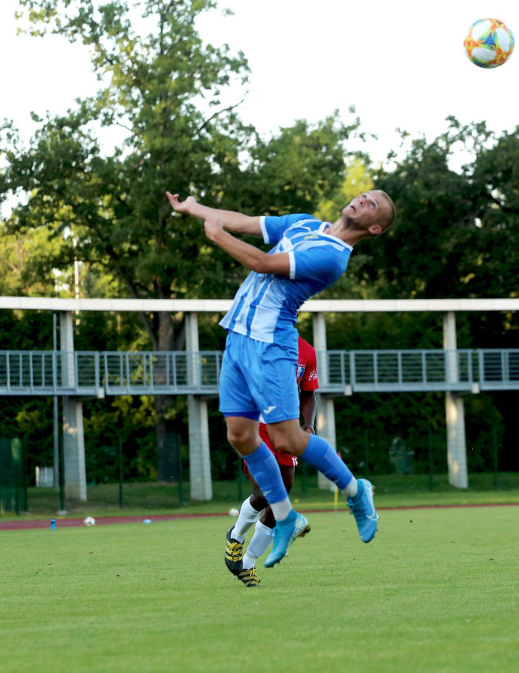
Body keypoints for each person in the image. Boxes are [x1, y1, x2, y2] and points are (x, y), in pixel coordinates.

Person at [166, 188, 395, 567]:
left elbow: (260, 263)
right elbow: (241, 220)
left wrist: (218, 235)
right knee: (240, 435)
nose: (362, 199)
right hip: (238, 337)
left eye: (373, 204)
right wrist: (193, 208)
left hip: (272, 343)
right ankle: (286, 517)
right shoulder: (304, 222)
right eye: (364, 194)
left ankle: (357, 491)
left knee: (288, 438)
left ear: (374, 228)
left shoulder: (333, 258)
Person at [224, 336, 319, 587]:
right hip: (257, 428)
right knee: (265, 492)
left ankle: (248, 563)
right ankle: (236, 537)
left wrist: (308, 424)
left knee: (281, 498)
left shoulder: (306, 351)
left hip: (287, 430)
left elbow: (309, 394)